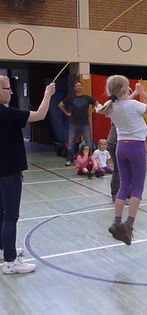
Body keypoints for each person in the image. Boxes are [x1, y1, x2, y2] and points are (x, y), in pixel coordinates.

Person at [0, 75, 55, 274]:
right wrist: (48, 94)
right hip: (8, 172)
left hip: (4, 170)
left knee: (2, 214)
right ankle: (10, 262)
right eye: (7, 88)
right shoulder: (8, 114)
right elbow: (40, 114)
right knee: (11, 216)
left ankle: (4, 249)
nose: (11, 92)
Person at [97, 75, 147, 245]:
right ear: (125, 89)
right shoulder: (134, 105)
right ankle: (128, 225)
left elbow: (124, 103)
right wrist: (142, 92)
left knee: (124, 184)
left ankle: (116, 222)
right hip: (136, 147)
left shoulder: (111, 107)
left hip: (120, 147)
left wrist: (133, 94)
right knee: (137, 186)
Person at [58, 81, 101, 166]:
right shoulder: (70, 98)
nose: (79, 87)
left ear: (82, 87)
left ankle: (90, 159)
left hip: (85, 124)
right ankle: (69, 160)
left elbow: (96, 103)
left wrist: (91, 112)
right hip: (73, 124)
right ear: (74, 88)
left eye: (80, 86)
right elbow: (60, 105)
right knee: (71, 143)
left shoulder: (87, 98)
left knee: (89, 143)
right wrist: (67, 113)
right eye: (77, 86)